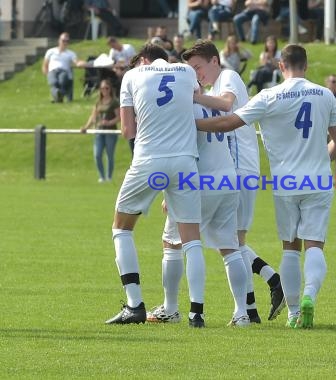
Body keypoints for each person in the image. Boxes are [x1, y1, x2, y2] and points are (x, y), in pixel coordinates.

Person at [195, 44, 336, 329]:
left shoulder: (269, 95)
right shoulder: (325, 94)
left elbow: (228, 122)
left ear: (280, 66)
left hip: (285, 182)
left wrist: (193, 123)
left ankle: (292, 313)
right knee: (315, 245)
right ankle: (309, 296)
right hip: (318, 178)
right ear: (306, 65)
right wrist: (323, 158)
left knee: (290, 248)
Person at [184, 40, 286, 322]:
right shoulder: (213, 86)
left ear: (214, 61)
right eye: (192, 70)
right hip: (233, 170)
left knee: (230, 243)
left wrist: (193, 97)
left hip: (238, 170)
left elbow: (228, 104)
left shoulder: (228, 77)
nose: (196, 74)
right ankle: (252, 307)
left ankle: (271, 283)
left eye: (198, 67)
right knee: (230, 242)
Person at [105, 44, 203, 325]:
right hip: (185, 161)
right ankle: (196, 312)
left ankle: (135, 305)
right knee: (191, 239)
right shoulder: (185, 71)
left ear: (144, 60)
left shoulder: (133, 76)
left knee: (121, 229)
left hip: (148, 160)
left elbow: (127, 131)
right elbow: (199, 100)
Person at [154, 102, 250, 327]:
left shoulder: (185, 108)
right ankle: (242, 312)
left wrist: (168, 193)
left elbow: (182, 152)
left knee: (174, 243)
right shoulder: (214, 104)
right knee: (230, 248)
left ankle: (176, 309)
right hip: (228, 179)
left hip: (198, 182)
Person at [80, 79, 120, 182]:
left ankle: (109, 177)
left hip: (110, 131)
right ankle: (102, 176)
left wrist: (109, 122)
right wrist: (86, 127)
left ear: (110, 89)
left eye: (106, 88)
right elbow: (93, 117)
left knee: (109, 154)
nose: (104, 90)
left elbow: (119, 117)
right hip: (98, 131)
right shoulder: (98, 102)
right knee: (97, 154)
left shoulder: (114, 102)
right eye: (102, 88)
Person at [42, 32, 86, 103]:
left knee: (62, 81)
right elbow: (45, 64)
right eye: (63, 40)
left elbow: (76, 61)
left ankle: (58, 97)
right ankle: (58, 96)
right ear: (59, 41)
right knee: (53, 82)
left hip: (64, 71)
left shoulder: (70, 53)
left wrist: (82, 63)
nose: (65, 43)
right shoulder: (50, 51)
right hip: (52, 71)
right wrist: (46, 73)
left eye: (67, 41)